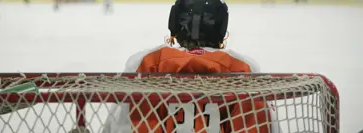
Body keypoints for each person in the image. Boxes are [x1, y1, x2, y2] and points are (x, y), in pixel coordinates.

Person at [103, 0, 282, 132]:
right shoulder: (243, 67)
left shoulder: (145, 63)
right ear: (221, 27)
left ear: (174, 24)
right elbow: (265, 126)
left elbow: (117, 126)